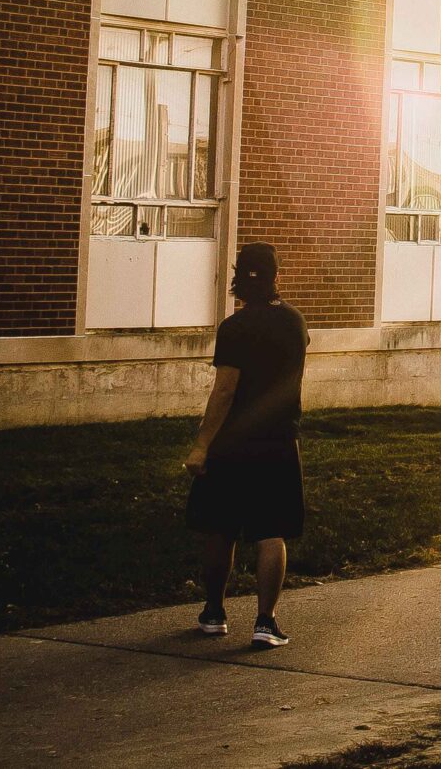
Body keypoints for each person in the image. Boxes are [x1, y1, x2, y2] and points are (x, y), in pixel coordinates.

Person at [187, 241, 310, 649]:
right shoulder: (295, 322)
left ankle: (213, 612)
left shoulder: (233, 328)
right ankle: (264, 621)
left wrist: (202, 444)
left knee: (219, 527)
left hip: (231, 444)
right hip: (277, 441)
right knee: (270, 531)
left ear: (238, 280)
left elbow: (224, 392)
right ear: (278, 277)